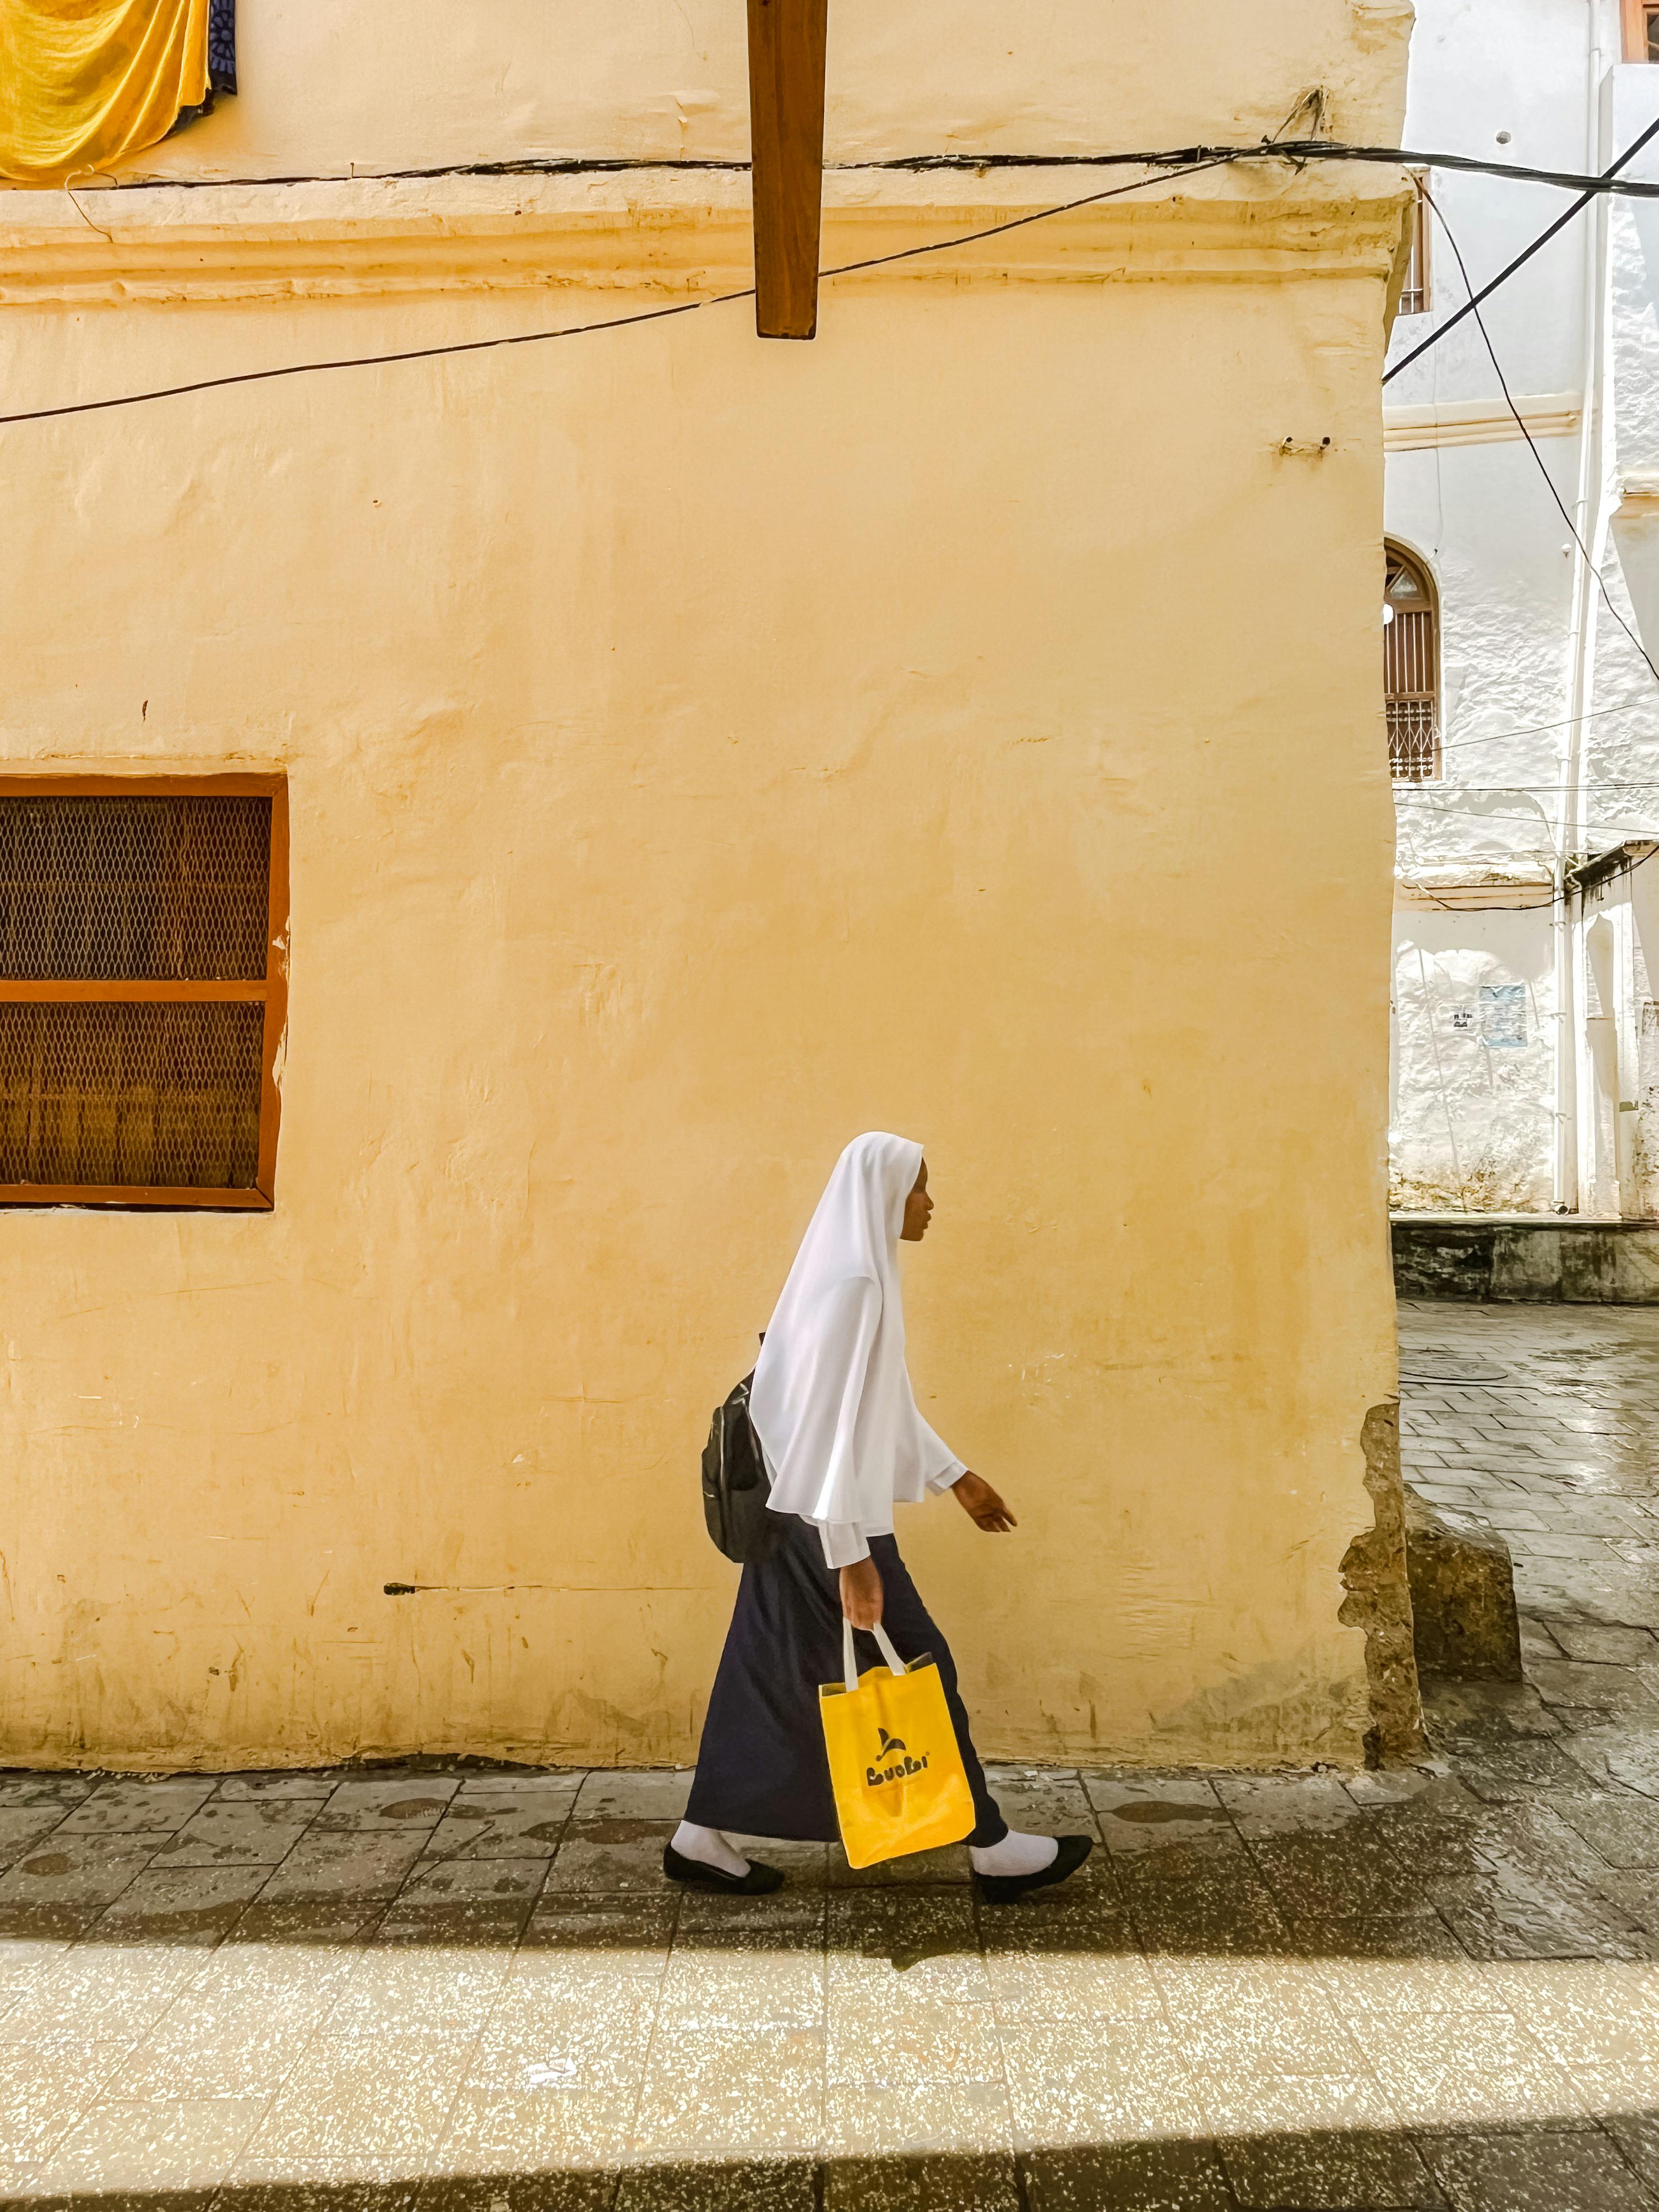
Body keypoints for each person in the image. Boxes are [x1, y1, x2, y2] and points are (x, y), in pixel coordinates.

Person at [667, 1131, 1094, 1905]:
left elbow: (875, 1404)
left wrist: (955, 1476)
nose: (931, 1205)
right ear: (883, 1194)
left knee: (767, 1670)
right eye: (920, 1188)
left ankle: (700, 1835)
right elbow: (821, 1426)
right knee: (922, 1662)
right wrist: (851, 1556)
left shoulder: (853, 1273)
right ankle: (990, 1844)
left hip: (804, 1508)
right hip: (823, 1516)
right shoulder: (854, 1284)